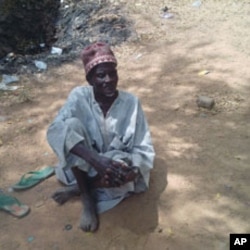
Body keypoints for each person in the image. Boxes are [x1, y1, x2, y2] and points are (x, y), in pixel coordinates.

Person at [47, 42, 155, 232]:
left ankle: (81, 188)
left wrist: (133, 170)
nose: (108, 80)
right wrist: (96, 160)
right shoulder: (79, 96)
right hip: (85, 164)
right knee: (70, 126)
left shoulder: (131, 103)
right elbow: (55, 130)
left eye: (112, 73)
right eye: (101, 75)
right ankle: (88, 201)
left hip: (114, 168)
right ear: (89, 79)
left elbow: (143, 148)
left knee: (121, 169)